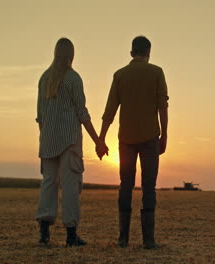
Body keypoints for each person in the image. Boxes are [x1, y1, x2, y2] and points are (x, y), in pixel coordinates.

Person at [35, 38, 108, 247]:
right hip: (69, 140)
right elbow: (82, 113)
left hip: (47, 139)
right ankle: (70, 234)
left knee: (48, 183)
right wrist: (98, 141)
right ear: (71, 55)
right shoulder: (73, 79)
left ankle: (44, 232)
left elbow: (40, 115)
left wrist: (45, 136)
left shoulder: (44, 78)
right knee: (70, 185)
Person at [98, 35, 169, 249]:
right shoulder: (156, 72)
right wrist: (164, 135)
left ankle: (123, 239)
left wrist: (101, 138)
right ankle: (148, 240)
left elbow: (110, 110)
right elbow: (162, 108)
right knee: (149, 187)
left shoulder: (120, 75)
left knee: (125, 186)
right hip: (150, 139)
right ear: (148, 52)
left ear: (131, 53)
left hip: (126, 140)